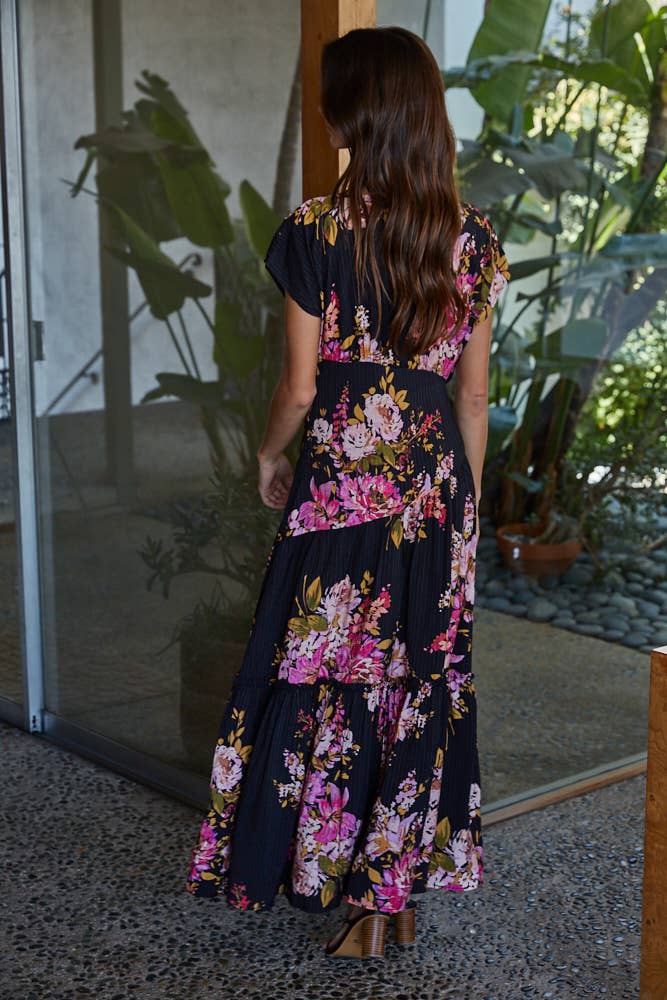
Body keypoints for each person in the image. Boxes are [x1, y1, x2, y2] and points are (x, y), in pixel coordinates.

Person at [185, 25, 510, 960]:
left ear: (355, 113)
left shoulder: (313, 233)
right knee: (416, 678)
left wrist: (266, 455)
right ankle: (391, 892)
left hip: (342, 487)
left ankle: (333, 879)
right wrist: (464, 514)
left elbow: (296, 387)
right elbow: (473, 396)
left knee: (323, 670)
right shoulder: (474, 239)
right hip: (434, 492)